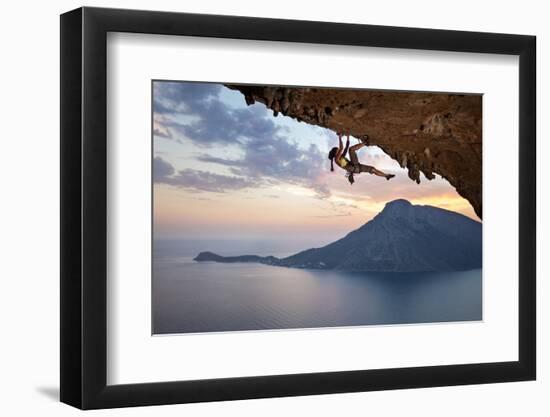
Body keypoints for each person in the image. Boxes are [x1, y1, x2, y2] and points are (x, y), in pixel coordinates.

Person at [328, 133, 395, 184]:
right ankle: (366, 142)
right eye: (337, 150)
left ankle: (386, 176)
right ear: (335, 153)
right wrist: (339, 137)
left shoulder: (341, 157)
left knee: (373, 169)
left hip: (356, 168)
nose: (339, 150)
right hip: (354, 166)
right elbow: (342, 148)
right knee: (351, 150)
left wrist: (348, 137)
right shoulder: (336, 159)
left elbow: (345, 147)